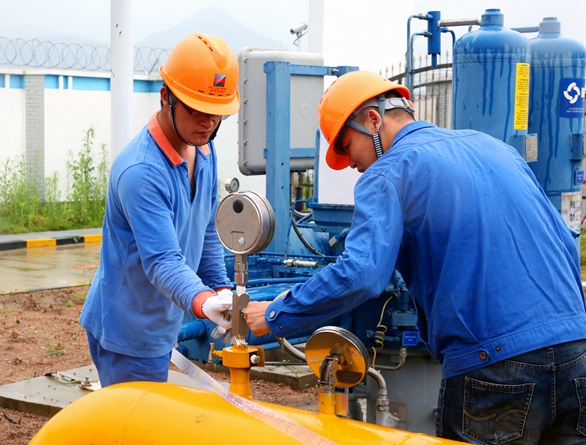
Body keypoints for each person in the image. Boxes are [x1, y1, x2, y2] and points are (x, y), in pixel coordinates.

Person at [245, 70, 586, 444]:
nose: (350, 162)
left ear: (372, 120)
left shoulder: (389, 173)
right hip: (578, 353)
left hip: (495, 367)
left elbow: (362, 273)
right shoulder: (498, 149)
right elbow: (566, 242)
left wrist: (277, 313)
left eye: (345, 145)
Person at [80, 33, 239, 387]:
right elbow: (162, 261)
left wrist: (219, 288)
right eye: (197, 110)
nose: (208, 122)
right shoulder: (142, 171)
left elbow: (206, 228)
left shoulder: (204, 149)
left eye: (217, 114)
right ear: (166, 97)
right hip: (129, 331)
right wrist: (202, 301)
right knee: (135, 419)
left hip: (160, 319)